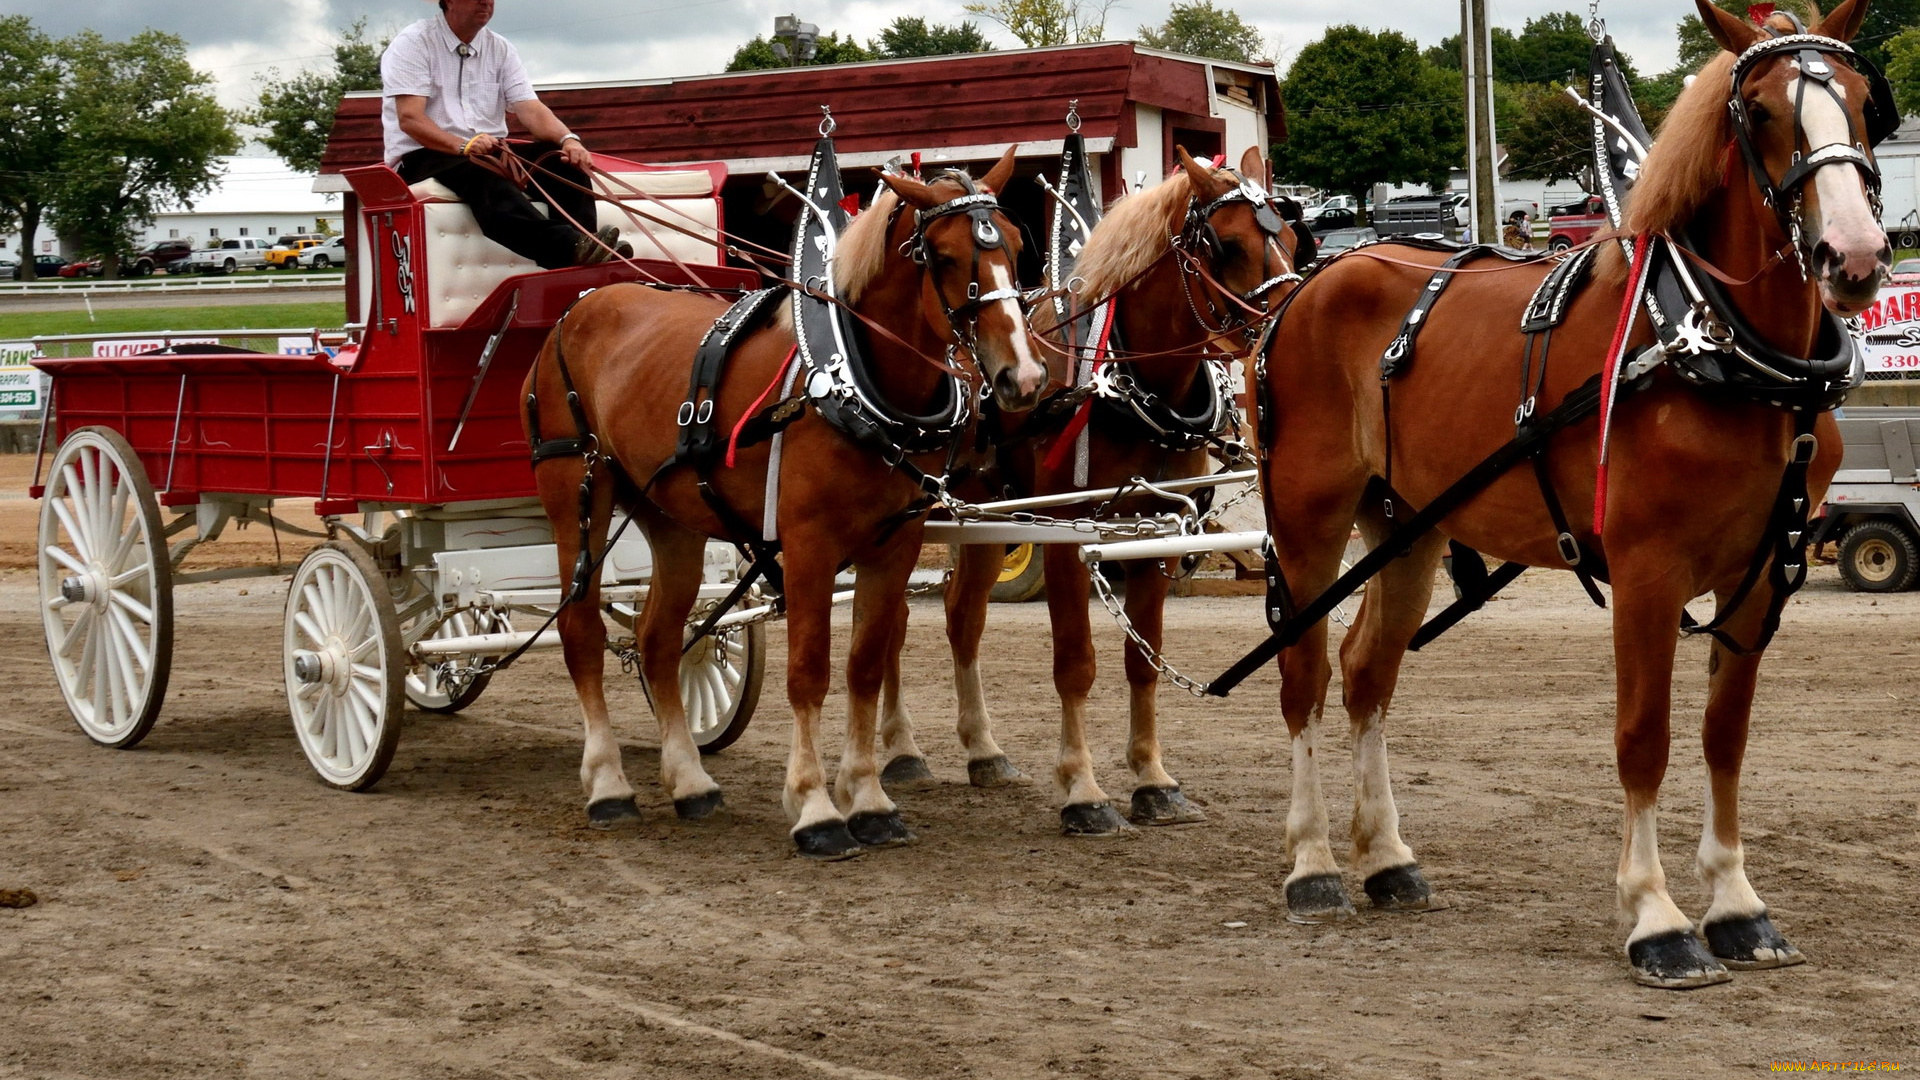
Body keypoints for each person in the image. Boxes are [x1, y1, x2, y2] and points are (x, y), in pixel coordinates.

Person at [382, 0, 621, 268]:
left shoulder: (500, 48)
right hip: (426, 153)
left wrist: (569, 140)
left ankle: (585, 249)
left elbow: (530, 108)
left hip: (486, 149)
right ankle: (570, 248)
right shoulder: (413, 42)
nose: (487, 1)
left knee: (560, 162)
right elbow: (410, 119)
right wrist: (463, 145)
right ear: (448, 1)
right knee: (482, 175)